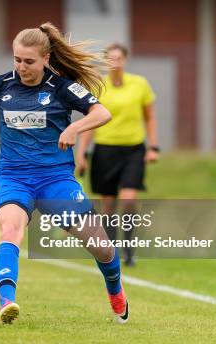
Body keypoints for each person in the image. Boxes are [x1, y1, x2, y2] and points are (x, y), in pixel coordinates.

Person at [0, 23, 129, 324]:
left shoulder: (62, 88)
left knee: (100, 246)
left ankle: (115, 291)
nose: (21, 67)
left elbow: (102, 113)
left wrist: (75, 127)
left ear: (46, 58)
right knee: (10, 230)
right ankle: (6, 302)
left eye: (29, 61)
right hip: (13, 177)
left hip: (56, 179)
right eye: (17, 60)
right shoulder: (0, 85)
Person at [76, 43, 159, 267]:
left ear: (125, 60)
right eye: (110, 59)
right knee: (109, 205)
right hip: (105, 150)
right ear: (106, 62)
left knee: (129, 200)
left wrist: (153, 147)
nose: (115, 63)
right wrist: (81, 153)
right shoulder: (99, 86)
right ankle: (109, 252)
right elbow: (91, 122)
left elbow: (150, 117)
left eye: (119, 58)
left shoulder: (140, 84)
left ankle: (129, 250)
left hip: (133, 150)